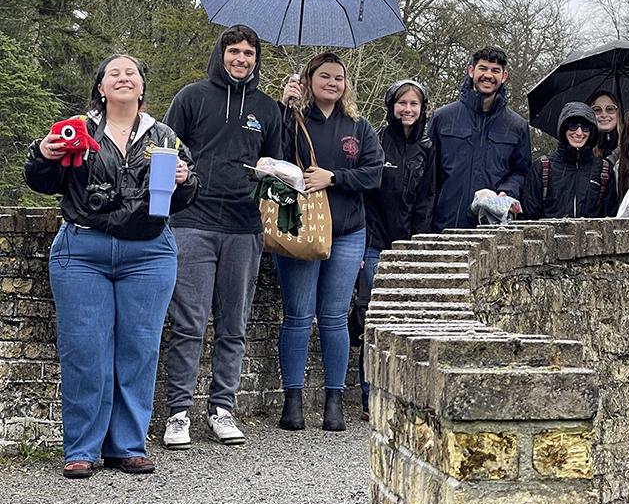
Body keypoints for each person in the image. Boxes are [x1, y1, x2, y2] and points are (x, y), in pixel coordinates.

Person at [24, 55, 199, 478]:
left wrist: (184, 177)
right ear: (100, 88)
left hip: (149, 253)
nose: (123, 78)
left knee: (139, 350)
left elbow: (187, 196)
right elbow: (42, 180)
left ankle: (127, 446)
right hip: (83, 250)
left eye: (131, 73)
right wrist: (44, 153)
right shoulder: (78, 130)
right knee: (85, 350)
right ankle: (81, 448)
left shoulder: (164, 135)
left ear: (142, 87)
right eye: (113, 74)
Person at [161, 24, 283, 449]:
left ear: (256, 59)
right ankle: (178, 414)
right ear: (221, 53)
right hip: (192, 221)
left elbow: (280, 171)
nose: (241, 59)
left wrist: (274, 173)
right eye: (234, 51)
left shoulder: (269, 109)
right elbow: (164, 151)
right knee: (189, 323)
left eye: (249, 53)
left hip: (244, 227)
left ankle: (222, 409)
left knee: (233, 324)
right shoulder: (191, 97)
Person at [275, 52, 384, 431]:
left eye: (339, 78)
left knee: (335, 317)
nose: (332, 83)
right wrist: (283, 107)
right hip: (299, 230)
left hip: (347, 231)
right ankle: (293, 402)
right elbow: (270, 159)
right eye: (324, 76)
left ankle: (334, 401)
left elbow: (373, 175)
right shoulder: (291, 119)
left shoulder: (359, 126)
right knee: (299, 315)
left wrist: (333, 177)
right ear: (308, 80)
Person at [355, 79, 435, 420]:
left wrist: (419, 245)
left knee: (406, 322)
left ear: (422, 110)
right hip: (373, 242)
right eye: (402, 102)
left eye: (414, 104)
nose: (407, 109)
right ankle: (369, 396)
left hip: (408, 246)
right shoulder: (374, 141)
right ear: (392, 106)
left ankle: (402, 398)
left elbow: (427, 199)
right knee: (372, 321)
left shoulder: (428, 149)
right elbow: (364, 193)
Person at [427, 46, 531, 231]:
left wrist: (506, 192)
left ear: (504, 76)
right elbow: (427, 174)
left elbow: (521, 172)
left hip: (494, 227)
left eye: (495, 71)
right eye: (483, 68)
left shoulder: (517, 126)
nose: (488, 75)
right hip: (446, 223)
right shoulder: (442, 118)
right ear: (471, 71)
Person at [523, 102, 616, 219]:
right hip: (550, 236)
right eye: (572, 126)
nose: (579, 132)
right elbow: (529, 217)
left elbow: (610, 216)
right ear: (563, 128)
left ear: (592, 131)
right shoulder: (543, 167)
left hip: (591, 236)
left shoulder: (604, 170)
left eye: (585, 127)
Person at [586, 91, 622, 163]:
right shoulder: (582, 145)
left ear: (618, 113)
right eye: (597, 110)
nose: (604, 115)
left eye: (610, 109)